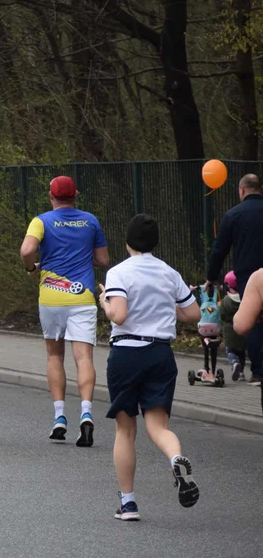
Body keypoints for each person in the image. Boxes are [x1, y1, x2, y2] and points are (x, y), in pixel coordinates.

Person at [99, 213, 200, 520]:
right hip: (160, 353)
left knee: (125, 429)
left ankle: (128, 503)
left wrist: (104, 299)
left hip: (127, 354)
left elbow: (118, 315)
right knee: (158, 426)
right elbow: (193, 313)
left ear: (127, 241)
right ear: (155, 242)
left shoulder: (119, 273)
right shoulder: (169, 272)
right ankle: (176, 458)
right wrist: (165, 307)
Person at [19, 176, 109, 447]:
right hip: (82, 297)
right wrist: (83, 254)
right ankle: (86, 413)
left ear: (51, 196)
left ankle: (59, 417)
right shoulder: (91, 220)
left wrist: (31, 267)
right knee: (83, 358)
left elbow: (26, 250)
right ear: (76, 195)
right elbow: (104, 260)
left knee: (55, 356)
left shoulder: (41, 220)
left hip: (51, 297)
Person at [206, 173, 263, 386]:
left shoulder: (233, 215)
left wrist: (212, 277)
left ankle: (258, 371)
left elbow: (219, 250)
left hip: (248, 274)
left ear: (241, 190)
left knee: (255, 319)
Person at [221, 270, 246, 380]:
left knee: (230, 350)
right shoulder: (244, 298)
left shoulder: (226, 300)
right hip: (242, 330)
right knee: (242, 351)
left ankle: (234, 362)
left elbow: (222, 315)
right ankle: (241, 373)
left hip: (230, 330)